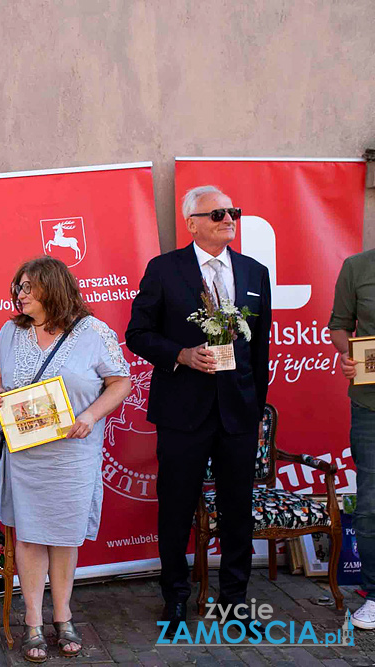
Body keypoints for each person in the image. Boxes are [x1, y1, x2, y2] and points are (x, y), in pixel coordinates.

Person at [126, 185, 271, 634]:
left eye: (234, 212)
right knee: (175, 507)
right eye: (218, 214)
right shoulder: (164, 270)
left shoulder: (254, 272)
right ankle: (174, 598)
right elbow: (137, 333)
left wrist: (256, 408)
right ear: (192, 223)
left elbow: (260, 347)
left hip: (239, 414)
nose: (229, 219)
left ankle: (233, 601)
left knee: (236, 510)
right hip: (182, 412)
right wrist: (182, 355)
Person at [0, 257, 130, 662]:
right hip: (26, 453)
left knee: (65, 536)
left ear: (53, 287)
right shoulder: (11, 332)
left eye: (28, 286)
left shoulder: (93, 331)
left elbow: (120, 382)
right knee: (29, 536)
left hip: (73, 453)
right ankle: (32, 620)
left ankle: (63, 616)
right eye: (18, 287)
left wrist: (89, 416)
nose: (20, 294)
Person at [330, 248, 375, 628]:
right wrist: (348, 355)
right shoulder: (357, 267)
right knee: (371, 505)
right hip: (370, 405)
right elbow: (339, 326)